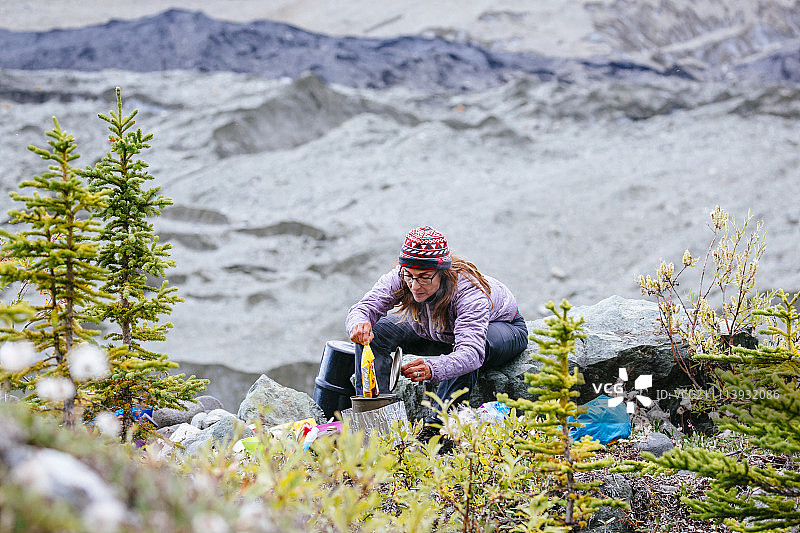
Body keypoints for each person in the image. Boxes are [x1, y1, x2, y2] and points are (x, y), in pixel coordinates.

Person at [346, 226, 528, 441]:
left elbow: (470, 353)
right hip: (439, 332)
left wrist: (434, 368)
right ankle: (374, 417)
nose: (415, 285)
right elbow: (364, 308)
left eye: (424, 278)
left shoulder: (468, 292)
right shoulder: (401, 276)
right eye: (409, 276)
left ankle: (436, 431)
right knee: (376, 330)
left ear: (443, 273)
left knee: (468, 354)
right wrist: (359, 323)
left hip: (502, 329)